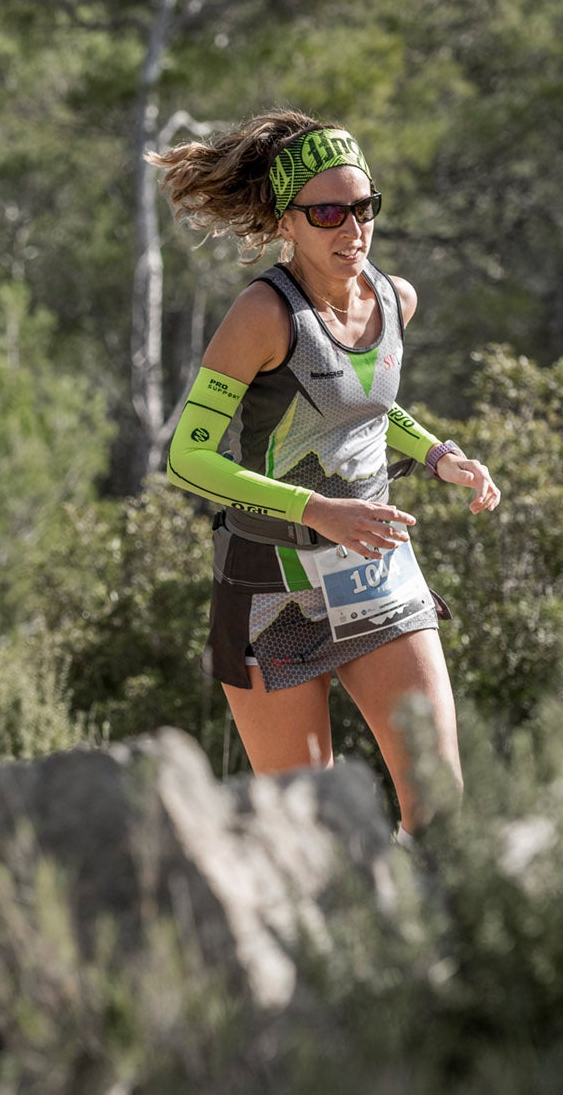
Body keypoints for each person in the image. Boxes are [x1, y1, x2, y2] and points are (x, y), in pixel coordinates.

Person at [152, 111, 502, 838]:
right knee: (313, 840)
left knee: (440, 806)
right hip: (269, 588)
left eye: (364, 207)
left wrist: (439, 455)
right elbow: (188, 453)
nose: (353, 228)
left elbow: (365, 408)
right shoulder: (263, 313)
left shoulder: (394, 299)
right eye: (328, 212)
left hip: (375, 571)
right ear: (289, 222)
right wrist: (315, 509)